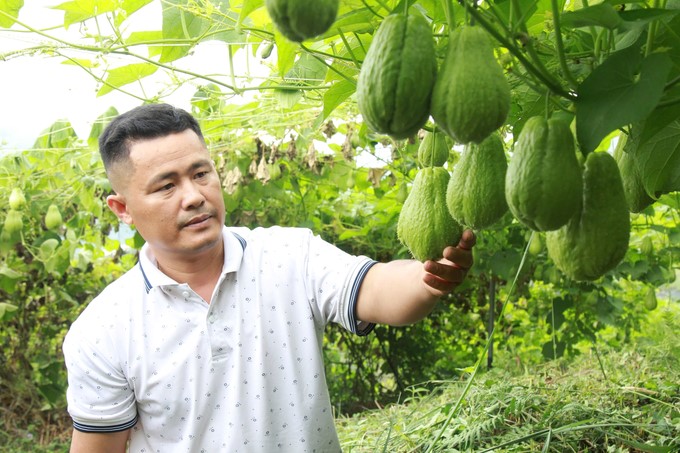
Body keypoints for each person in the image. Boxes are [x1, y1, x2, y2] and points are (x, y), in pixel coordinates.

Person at [62, 103, 476, 452]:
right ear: (123, 208)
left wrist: (427, 277)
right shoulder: (103, 331)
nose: (194, 196)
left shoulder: (290, 255)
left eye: (200, 173)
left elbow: (380, 288)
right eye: (166, 186)